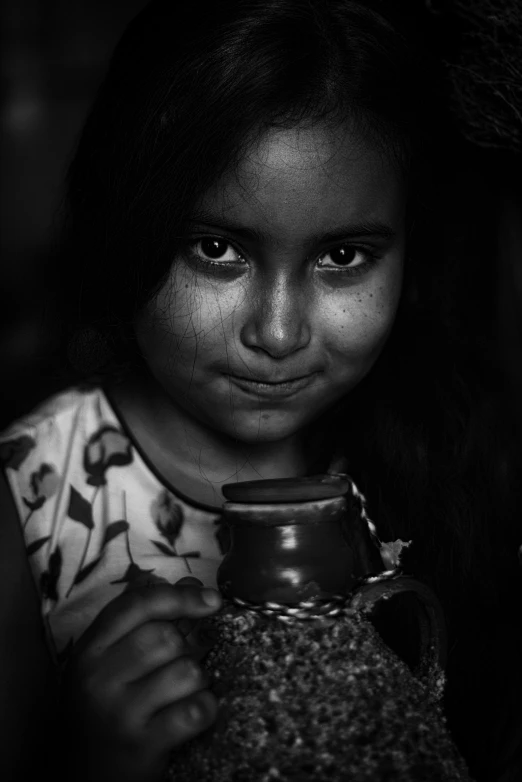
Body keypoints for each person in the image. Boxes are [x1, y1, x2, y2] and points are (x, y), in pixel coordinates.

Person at [0, 1, 520, 780]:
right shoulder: (31, 500)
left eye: (343, 256)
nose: (278, 334)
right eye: (217, 248)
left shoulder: (451, 462)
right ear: (126, 224)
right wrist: (87, 760)